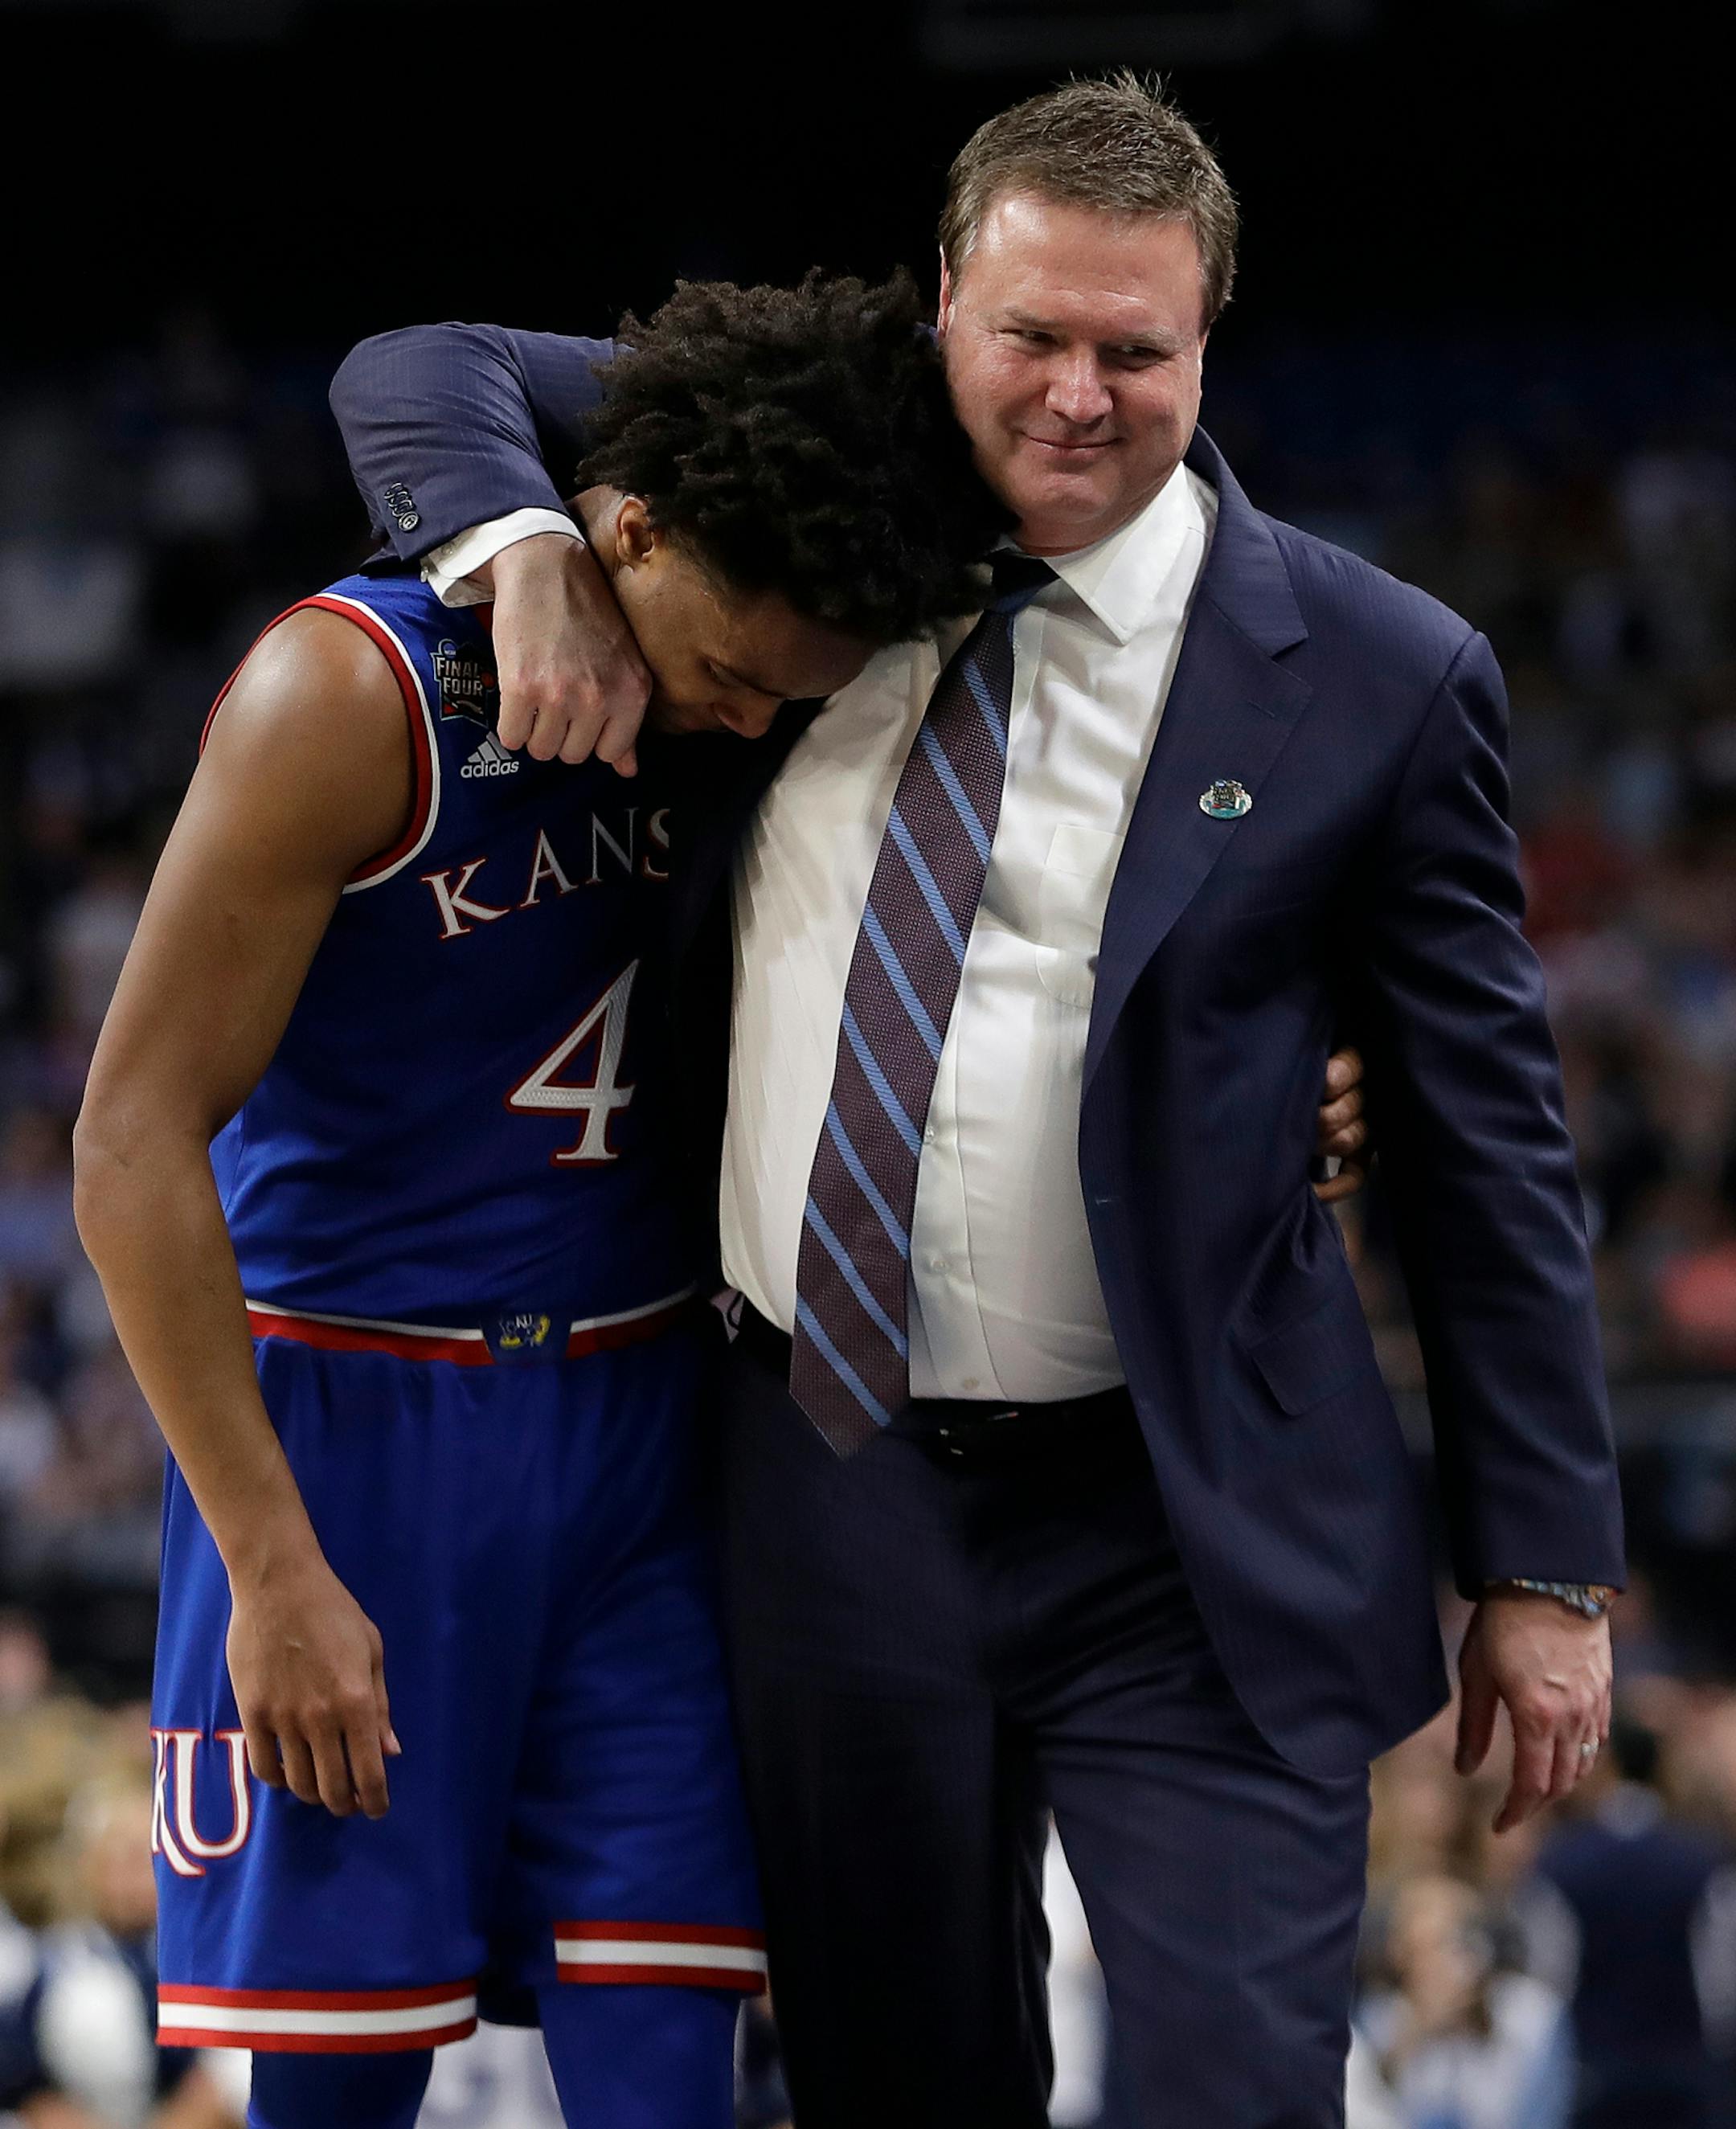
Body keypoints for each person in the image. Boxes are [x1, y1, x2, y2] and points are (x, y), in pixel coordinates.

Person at [326, 74, 1624, 2127]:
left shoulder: (1383, 672)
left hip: (1190, 1518)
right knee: (897, 2085)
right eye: (1033, 335)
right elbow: (422, 367)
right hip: (822, 1475)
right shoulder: (804, 480)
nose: (1079, 394)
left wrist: (1545, 1570)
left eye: (1138, 349)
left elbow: (1491, 1147)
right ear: (942, 307)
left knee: (1229, 2084)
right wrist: (520, 547)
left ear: (1210, 344)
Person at [70, 271, 1011, 2129]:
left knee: (675, 2056)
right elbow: (127, 1138)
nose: (741, 724)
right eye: (727, 670)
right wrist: (270, 1562)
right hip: (357, 1419)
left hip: (645, 1428)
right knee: (341, 2079)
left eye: (780, 698)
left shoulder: (754, 686)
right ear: (626, 528)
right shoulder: (347, 694)